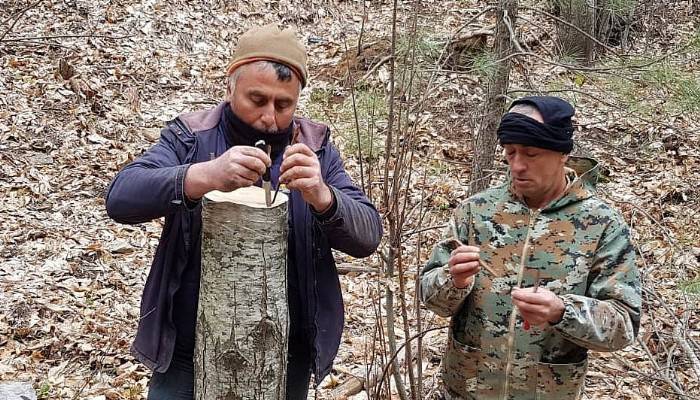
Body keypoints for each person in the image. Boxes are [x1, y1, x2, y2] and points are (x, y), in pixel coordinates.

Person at [105, 23, 382, 399]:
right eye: (257, 99)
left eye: (284, 105)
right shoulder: (192, 136)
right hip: (187, 345)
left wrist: (322, 195)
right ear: (230, 88)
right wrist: (203, 175)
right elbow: (121, 198)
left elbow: (368, 236)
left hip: (286, 348)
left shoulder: (315, 148)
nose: (270, 117)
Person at [420, 96, 641, 399]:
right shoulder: (477, 212)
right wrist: (452, 280)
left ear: (562, 153)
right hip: (467, 388)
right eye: (510, 153)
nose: (517, 165)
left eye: (531, 153)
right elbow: (431, 299)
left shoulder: (601, 224)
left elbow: (623, 325)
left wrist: (562, 311)